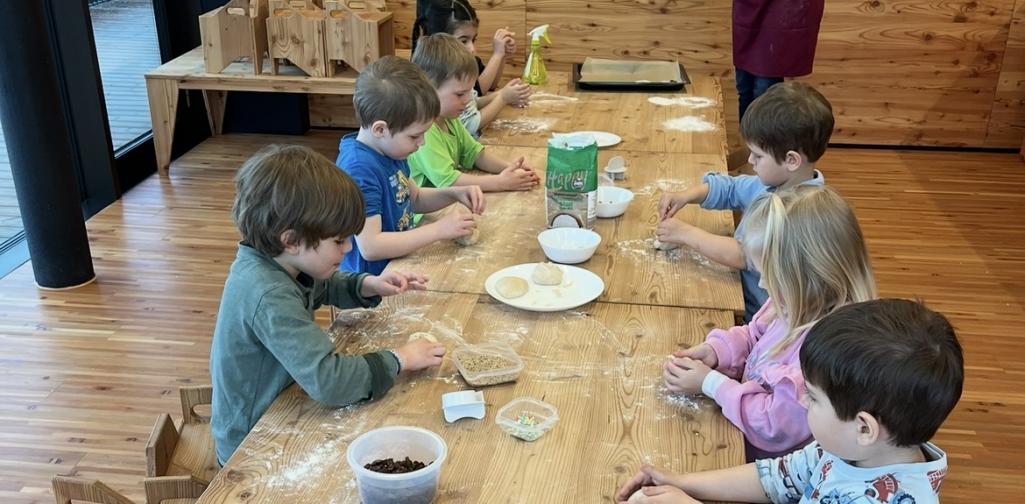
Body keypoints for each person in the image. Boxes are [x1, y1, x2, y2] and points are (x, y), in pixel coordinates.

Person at [209, 145, 446, 465]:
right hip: (254, 445)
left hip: (285, 403)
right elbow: (329, 381)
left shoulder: (280, 263)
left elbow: (318, 285)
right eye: (338, 241)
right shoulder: (268, 295)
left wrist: (365, 284)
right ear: (290, 240)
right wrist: (399, 359)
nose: (349, 247)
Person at [617, 299, 963, 504]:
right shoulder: (849, 447)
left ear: (864, 427)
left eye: (812, 396)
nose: (800, 398)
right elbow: (777, 477)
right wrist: (681, 482)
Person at [663, 186, 876, 460]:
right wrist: (717, 352)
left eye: (771, 276)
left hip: (763, 472)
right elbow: (754, 335)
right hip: (735, 434)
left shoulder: (830, 354)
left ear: (812, 276)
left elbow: (773, 426)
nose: (762, 284)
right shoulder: (792, 301)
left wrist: (711, 384)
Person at [657, 81, 832, 321]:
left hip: (765, 324)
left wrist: (686, 233)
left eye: (758, 155)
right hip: (746, 301)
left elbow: (743, 256)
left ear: (791, 160)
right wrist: (687, 196)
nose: (750, 160)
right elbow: (732, 188)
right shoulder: (777, 182)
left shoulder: (800, 213)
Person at [337, 56, 485, 276]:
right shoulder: (359, 169)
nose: (422, 143)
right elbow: (371, 246)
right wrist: (438, 230)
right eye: (415, 135)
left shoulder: (390, 149)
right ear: (380, 129)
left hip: (398, 269)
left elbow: (413, 199)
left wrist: (454, 193)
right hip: (370, 287)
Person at [408, 33, 540, 192]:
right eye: (459, 94)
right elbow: (448, 181)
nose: (468, 99)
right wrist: (500, 182)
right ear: (428, 89)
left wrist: (509, 168)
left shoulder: (449, 118)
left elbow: (475, 154)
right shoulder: (424, 132)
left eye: (470, 92)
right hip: (429, 214)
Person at [411, 0, 531, 137]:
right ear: (439, 40)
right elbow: (470, 123)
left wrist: (504, 92)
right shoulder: (445, 78)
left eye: (473, 40)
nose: (472, 49)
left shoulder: (459, 71)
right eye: (463, 41)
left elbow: (475, 99)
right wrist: (502, 98)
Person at [732, 0, 825, 119]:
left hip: (777, 14)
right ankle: (746, 136)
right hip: (748, 12)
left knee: (763, 96)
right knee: (744, 89)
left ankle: (762, 137)